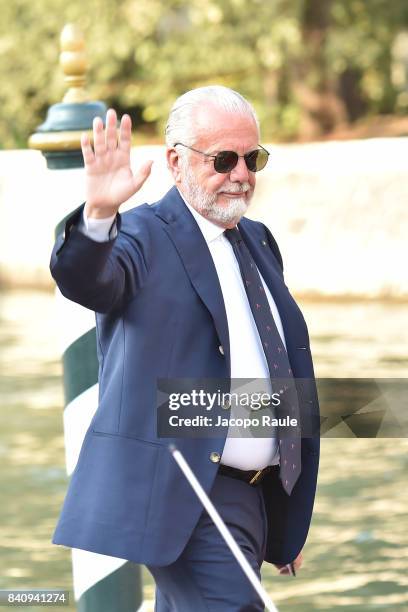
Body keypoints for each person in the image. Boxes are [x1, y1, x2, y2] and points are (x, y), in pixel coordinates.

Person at [51, 85, 320, 611]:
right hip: (184, 492)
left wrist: (280, 513)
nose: (241, 174)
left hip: (251, 494)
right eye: (223, 159)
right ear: (176, 162)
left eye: (252, 158)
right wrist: (99, 213)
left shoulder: (259, 239)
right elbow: (85, 278)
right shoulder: (142, 235)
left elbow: (273, 364)